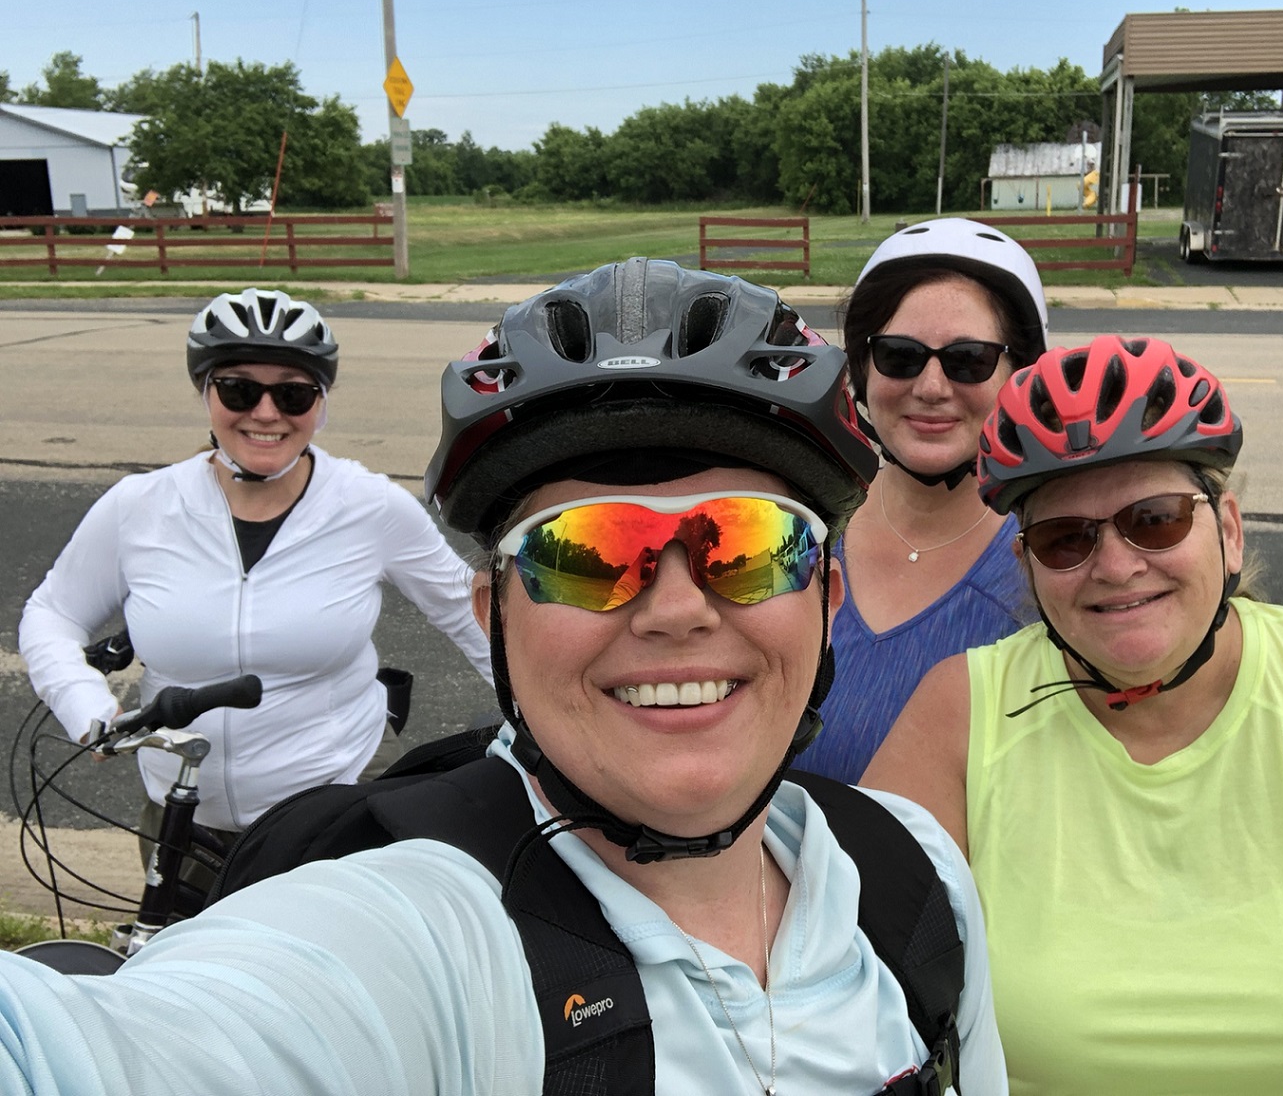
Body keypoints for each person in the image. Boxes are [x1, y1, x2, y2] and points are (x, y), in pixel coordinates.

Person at [0, 260, 1008, 1095]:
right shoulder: (422, 938)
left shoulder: (912, 876)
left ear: (826, 592)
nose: (676, 608)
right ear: (499, 621)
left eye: (746, 544)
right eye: (585, 553)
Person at [863, 335, 1283, 1093]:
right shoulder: (962, 712)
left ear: (1226, 530)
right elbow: (858, 1007)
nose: (1116, 565)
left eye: (1154, 519)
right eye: (1064, 538)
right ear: (1024, 563)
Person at [18, 288, 496, 865]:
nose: (266, 413)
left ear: (321, 403)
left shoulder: (369, 506)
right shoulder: (139, 507)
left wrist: (544, 719)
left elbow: (469, 612)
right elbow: (52, 614)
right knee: (174, 950)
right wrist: (86, 707)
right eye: (239, 389)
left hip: (331, 800)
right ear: (206, 392)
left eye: (293, 394)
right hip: (181, 806)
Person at [793, 217, 1049, 783]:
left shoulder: (1058, 562)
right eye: (900, 356)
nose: (931, 387)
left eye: (968, 360)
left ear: (1019, 373)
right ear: (862, 370)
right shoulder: (801, 529)